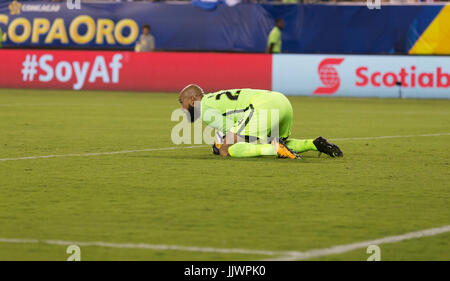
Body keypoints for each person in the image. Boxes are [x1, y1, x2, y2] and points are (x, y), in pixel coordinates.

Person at [178, 85, 343, 159]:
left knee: (227, 149)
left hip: (264, 106)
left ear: (193, 100)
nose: (182, 109)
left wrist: (221, 146)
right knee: (277, 140)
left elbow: (231, 132)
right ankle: (314, 144)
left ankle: (274, 151)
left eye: (182, 103)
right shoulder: (214, 98)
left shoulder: (204, 109)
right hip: (281, 101)